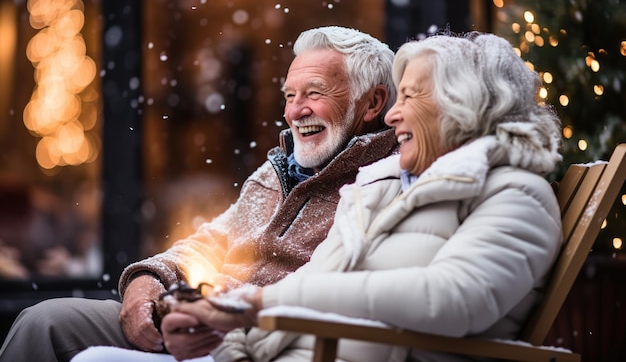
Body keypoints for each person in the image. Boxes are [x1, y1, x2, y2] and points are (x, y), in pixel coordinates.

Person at [72, 31, 563, 362]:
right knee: (63, 334)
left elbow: (453, 299)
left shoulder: (516, 192)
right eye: (288, 95)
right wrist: (229, 331)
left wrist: (248, 308)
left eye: (410, 98)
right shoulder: (392, 187)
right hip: (267, 350)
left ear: (465, 105)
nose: (394, 116)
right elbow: (312, 278)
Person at [0, 26, 398, 362]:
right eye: (290, 96)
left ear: (373, 102)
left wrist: (219, 313)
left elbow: (336, 295)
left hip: (249, 339)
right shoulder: (275, 172)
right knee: (45, 321)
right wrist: (147, 283)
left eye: (315, 93)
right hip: (189, 317)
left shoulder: (383, 183)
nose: (295, 112)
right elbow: (207, 243)